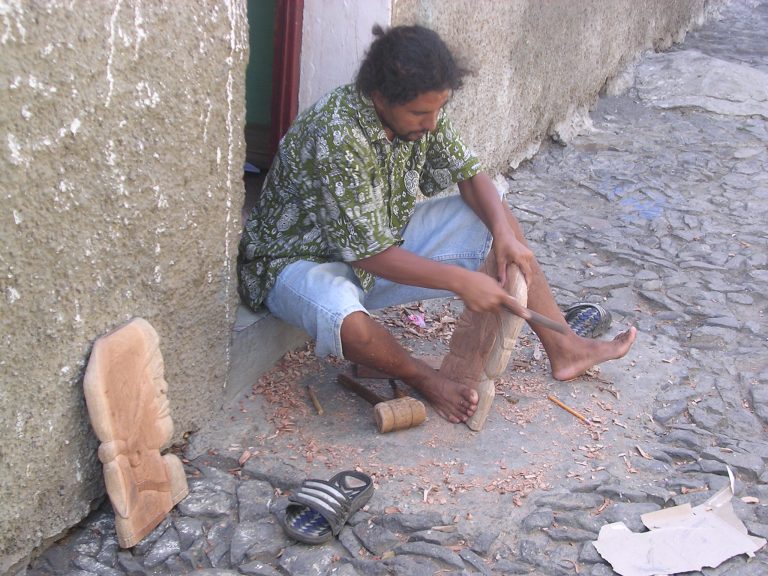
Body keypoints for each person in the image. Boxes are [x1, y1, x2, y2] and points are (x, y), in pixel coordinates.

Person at [238, 24, 636, 425]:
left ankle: (565, 347)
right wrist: (458, 280)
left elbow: (469, 175)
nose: (431, 123)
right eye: (419, 113)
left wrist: (502, 232)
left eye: (437, 111)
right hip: (293, 263)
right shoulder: (337, 133)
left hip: (374, 248)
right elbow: (369, 255)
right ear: (379, 97)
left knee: (490, 217)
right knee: (347, 322)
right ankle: (426, 379)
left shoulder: (420, 113)